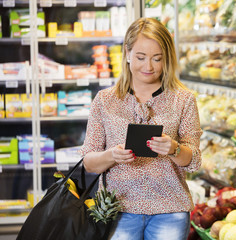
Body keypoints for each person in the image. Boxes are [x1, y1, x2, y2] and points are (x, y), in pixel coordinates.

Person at [79, 17, 202, 240]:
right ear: (127, 53)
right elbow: (89, 162)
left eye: (157, 59)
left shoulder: (183, 100)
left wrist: (174, 149)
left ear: (167, 59)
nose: (149, 67)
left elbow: (193, 161)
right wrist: (112, 155)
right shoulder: (105, 100)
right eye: (141, 57)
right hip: (118, 210)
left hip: (170, 209)